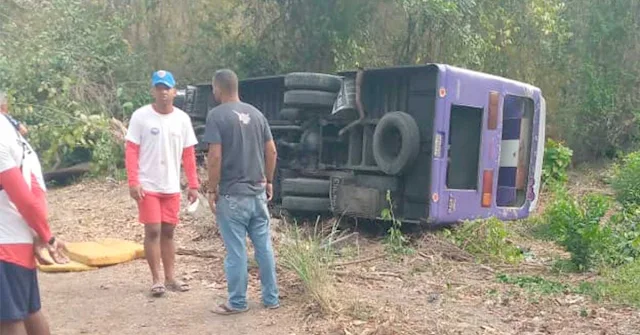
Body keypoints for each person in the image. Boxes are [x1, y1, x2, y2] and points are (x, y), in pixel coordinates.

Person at [203, 69, 280, 315]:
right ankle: (271, 298)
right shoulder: (257, 114)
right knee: (264, 247)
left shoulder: (216, 116)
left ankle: (237, 302)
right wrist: (268, 181)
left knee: (236, 251)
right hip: (257, 193)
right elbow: (272, 152)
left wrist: (212, 188)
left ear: (218, 89)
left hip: (232, 195)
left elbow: (215, 156)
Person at [124, 70, 200, 297]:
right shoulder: (141, 116)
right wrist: (133, 181)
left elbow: (188, 154)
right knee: (153, 229)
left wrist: (193, 184)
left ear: (175, 91)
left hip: (171, 186)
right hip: (148, 185)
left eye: (167, 88)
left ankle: (170, 277)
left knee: (168, 231)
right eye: (159, 88)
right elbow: (131, 150)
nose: (163, 92)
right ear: (152, 91)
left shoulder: (182, 119)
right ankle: (156, 279)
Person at [0, 90, 69, 335]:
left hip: (5, 244)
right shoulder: (17, 138)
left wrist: (46, 236)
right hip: (17, 239)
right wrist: (39, 234)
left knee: (8, 321)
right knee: (30, 311)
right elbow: (36, 190)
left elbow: (22, 196)